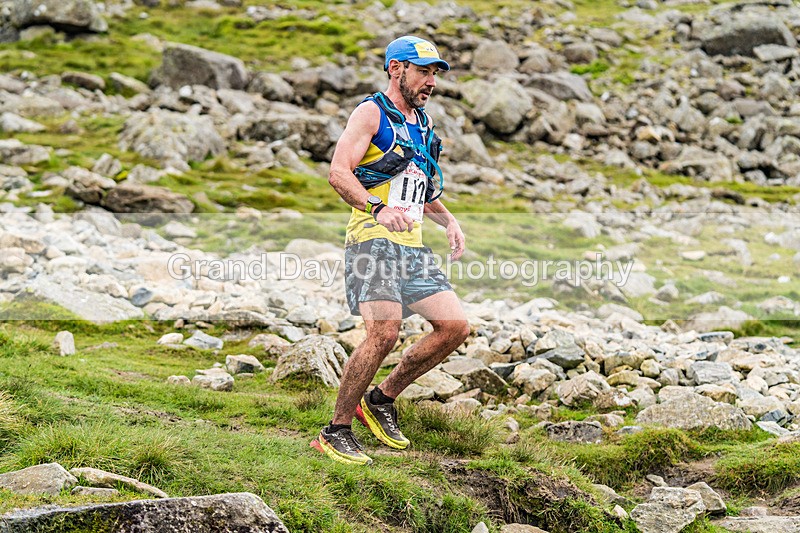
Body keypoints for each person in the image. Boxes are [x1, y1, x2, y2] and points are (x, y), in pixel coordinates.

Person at [310, 36, 470, 466]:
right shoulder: (370, 113)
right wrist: (377, 209)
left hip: (411, 247)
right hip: (370, 239)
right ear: (395, 69)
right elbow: (339, 173)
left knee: (454, 327)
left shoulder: (423, 123)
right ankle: (335, 430)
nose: (431, 80)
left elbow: (418, 186)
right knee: (384, 331)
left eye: (435, 72)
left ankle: (381, 399)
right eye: (424, 71)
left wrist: (448, 220)